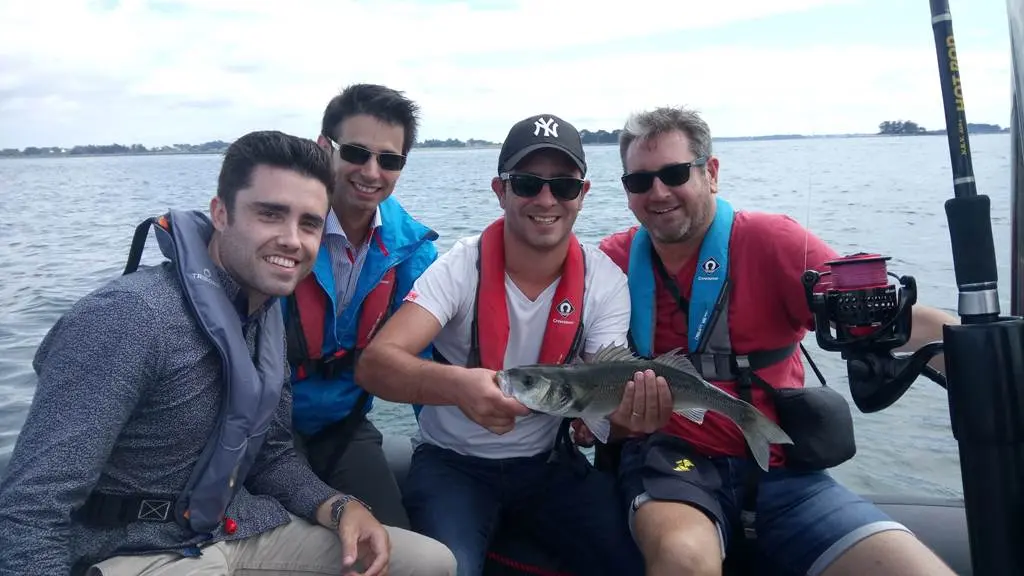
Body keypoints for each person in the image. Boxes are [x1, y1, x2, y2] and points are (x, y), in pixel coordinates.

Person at [0, 130, 456, 576]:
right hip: (134, 551)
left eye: (309, 223)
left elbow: (271, 456)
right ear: (220, 213)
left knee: (428, 563)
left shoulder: (264, 318)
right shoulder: (129, 319)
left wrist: (337, 507)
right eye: (270, 215)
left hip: (232, 531)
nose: (292, 240)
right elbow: (32, 507)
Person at [596, 105, 958, 576]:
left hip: (786, 470)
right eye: (639, 181)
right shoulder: (609, 262)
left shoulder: (772, 241)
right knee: (684, 559)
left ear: (712, 173)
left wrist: (982, 359)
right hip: (673, 465)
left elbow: (891, 321)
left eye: (674, 173)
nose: (658, 192)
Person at [354, 113, 659, 576]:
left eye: (563, 186)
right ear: (500, 191)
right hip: (452, 466)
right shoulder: (460, 269)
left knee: (634, 559)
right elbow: (375, 365)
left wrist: (620, 421)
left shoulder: (605, 282)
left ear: (584, 194)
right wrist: (457, 387)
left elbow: (603, 397)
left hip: (550, 465)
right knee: (446, 568)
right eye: (527, 183)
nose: (546, 199)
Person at [284, 83, 438, 531]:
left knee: (400, 546)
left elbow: (422, 363)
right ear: (323, 147)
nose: (372, 172)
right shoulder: (278, 233)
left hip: (346, 429)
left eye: (389, 160)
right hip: (261, 433)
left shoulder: (412, 252)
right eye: (356, 153)